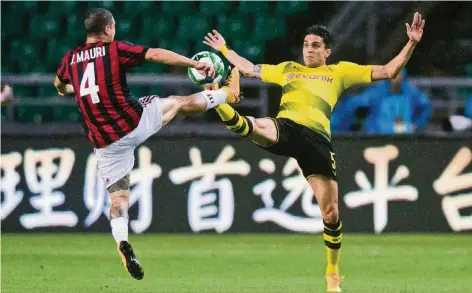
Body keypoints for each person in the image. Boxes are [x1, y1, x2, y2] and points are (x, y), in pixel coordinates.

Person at [203, 12, 425, 292]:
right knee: (254, 125)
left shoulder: (340, 72)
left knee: (331, 213)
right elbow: (249, 69)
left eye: (316, 45)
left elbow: (388, 71)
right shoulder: (287, 69)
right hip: (286, 128)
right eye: (307, 44)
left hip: (317, 141)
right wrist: (224, 49)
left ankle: (332, 275)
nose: (309, 48)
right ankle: (216, 99)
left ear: (327, 51)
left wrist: (411, 44)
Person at [54, 8, 242, 281]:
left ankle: (122, 241)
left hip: (106, 144)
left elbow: (59, 85)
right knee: (179, 103)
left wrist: (72, 89)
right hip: (134, 123)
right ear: (108, 29)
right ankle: (228, 93)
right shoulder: (114, 50)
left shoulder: (70, 60)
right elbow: (154, 54)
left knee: (118, 201)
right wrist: (194, 64)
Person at [334, 69, 432, 134]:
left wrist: (418, 125)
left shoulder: (411, 92)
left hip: (405, 139)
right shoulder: (376, 93)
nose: (397, 76)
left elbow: (426, 107)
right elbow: (352, 105)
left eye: (399, 73)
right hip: (379, 139)